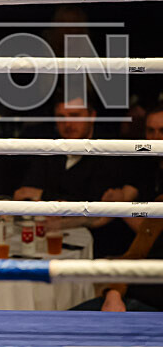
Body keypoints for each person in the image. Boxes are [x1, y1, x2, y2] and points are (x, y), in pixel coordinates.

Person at [13, 86, 142, 258]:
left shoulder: (109, 152)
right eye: (61, 117)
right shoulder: (49, 149)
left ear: (92, 116)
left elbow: (95, 208)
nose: (68, 124)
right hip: (44, 244)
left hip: (98, 252)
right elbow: (24, 195)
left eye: (75, 116)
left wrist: (43, 194)